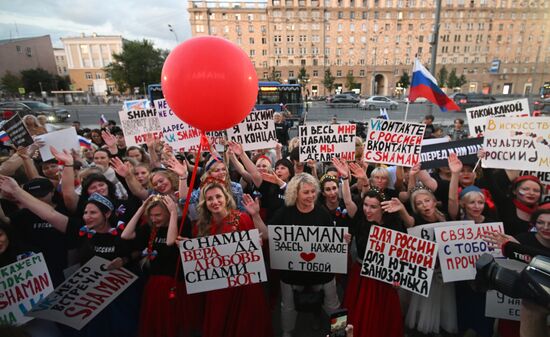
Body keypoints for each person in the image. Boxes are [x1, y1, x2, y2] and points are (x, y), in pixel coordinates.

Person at [186, 181, 271, 337]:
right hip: (218, 287)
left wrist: (256, 245)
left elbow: (259, 246)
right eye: (210, 198)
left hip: (244, 285)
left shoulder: (242, 218)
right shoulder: (200, 226)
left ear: (226, 198)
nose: (215, 202)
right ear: (205, 202)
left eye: (218, 196)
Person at [269, 173, 341, 337]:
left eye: (313, 191)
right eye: (306, 192)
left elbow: (332, 240)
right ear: (296, 193)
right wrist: (255, 215)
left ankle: (340, 331)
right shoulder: (285, 212)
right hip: (291, 273)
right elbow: (268, 233)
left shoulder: (322, 213)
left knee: (333, 304)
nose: (311, 196)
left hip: (322, 271)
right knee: (288, 306)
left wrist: (341, 239)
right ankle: (287, 332)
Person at [121, 195, 193, 337]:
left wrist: (173, 213)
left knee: (174, 326)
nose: (154, 219)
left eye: (158, 215)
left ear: (167, 212)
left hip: (175, 284)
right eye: (151, 216)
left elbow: (170, 241)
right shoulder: (150, 228)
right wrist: (142, 209)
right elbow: (125, 235)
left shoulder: (183, 222)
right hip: (155, 285)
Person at [343, 189, 406, 337]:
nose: (367, 210)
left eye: (373, 207)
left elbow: (402, 255)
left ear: (383, 209)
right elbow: (347, 202)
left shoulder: (395, 225)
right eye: (365, 205)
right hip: (361, 276)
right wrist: (346, 240)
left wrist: (398, 276)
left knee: (381, 316)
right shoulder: (360, 220)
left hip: (384, 279)